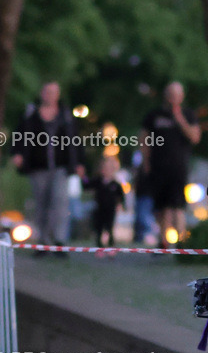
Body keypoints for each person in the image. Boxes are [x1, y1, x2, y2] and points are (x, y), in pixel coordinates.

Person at [10, 82, 84, 255]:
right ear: (42, 93)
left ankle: (59, 241)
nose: (49, 95)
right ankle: (43, 242)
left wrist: (79, 162)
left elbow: (76, 139)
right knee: (41, 203)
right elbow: (19, 134)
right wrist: (18, 153)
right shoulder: (31, 115)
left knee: (60, 201)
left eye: (53, 92)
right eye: (47, 92)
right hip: (38, 166)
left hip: (61, 166)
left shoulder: (66, 115)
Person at [142, 82, 200, 246]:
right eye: (170, 95)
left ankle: (182, 241)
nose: (173, 99)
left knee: (177, 205)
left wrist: (180, 119)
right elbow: (144, 139)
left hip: (178, 167)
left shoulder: (188, 114)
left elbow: (195, 137)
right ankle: (163, 240)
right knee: (161, 206)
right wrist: (145, 162)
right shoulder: (154, 115)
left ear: (182, 97)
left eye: (176, 95)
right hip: (158, 166)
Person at [89, 156, 125, 256]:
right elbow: (86, 185)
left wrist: (121, 205)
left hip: (111, 210)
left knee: (110, 228)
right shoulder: (97, 181)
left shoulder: (115, 184)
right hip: (99, 209)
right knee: (99, 229)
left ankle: (111, 247)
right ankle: (99, 248)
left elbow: (121, 196)